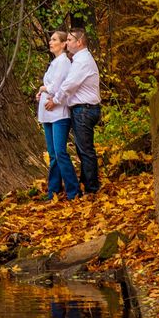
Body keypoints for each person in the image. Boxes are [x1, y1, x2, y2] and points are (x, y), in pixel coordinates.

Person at [47, 27, 101, 195]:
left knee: (85, 150)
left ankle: (92, 188)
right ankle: (86, 182)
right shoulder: (79, 59)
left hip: (85, 109)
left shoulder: (82, 61)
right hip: (83, 109)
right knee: (82, 149)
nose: (67, 43)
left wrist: (55, 101)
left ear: (79, 42)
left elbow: (69, 85)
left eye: (69, 40)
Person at [35, 31, 80, 201]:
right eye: (50, 39)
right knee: (53, 154)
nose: (50, 42)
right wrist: (41, 93)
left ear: (63, 44)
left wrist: (43, 89)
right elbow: (49, 86)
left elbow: (55, 88)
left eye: (54, 40)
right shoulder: (54, 63)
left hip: (59, 114)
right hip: (47, 113)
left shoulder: (63, 63)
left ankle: (73, 191)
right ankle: (53, 191)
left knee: (60, 152)